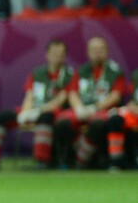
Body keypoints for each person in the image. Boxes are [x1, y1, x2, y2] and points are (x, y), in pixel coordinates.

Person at [0, 39, 73, 171]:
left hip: (55, 112)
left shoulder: (69, 75)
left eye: (61, 54)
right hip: (33, 109)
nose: (57, 56)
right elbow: (29, 95)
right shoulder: (37, 73)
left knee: (45, 117)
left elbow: (61, 99)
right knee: (0, 117)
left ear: (65, 56)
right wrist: (26, 112)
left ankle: (42, 161)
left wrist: (39, 111)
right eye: (54, 53)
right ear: (47, 55)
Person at [54, 36, 129, 168]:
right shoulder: (81, 71)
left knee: (98, 124)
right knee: (61, 122)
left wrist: (95, 108)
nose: (97, 52)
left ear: (107, 51)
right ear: (88, 52)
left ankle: (81, 160)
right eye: (94, 49)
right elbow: (72, 93)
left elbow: (116, 96)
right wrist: (79, 108)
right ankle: (70, 157)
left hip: (103, 110)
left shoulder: (115, 72)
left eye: (101, 49)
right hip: (82, 108)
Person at [105, 77, 138, 170]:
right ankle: (116, 162)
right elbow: (132, 101)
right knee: (115, 119)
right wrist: (133, 107)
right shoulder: (136, 76)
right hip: (134, 115)